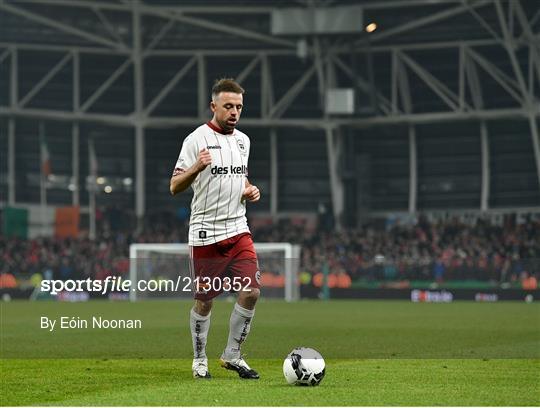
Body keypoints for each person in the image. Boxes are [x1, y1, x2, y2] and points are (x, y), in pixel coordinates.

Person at [170, 78, 261, 380]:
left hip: (238, 230)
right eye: (229, 106)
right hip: (205, 233)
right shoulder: (196, 139)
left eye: (239, 107)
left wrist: (249, 189)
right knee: (204, 301)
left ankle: (232, 355)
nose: (235, 112)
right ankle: (199, 358)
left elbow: (239, 177)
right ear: (213, 106)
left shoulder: (243, 141)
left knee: (251, 292)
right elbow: (174, 186)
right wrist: (196, 167)